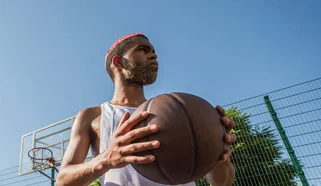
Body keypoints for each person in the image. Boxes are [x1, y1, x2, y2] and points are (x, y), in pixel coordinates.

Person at [56, 33, 236, 186]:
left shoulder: (175, 114)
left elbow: (223, 183)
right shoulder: (94, 116)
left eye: (154, 52)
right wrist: (107, 158)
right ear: (118, 62)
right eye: (143, 50)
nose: (153, 55)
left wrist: (219, 154)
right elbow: (63, 181)